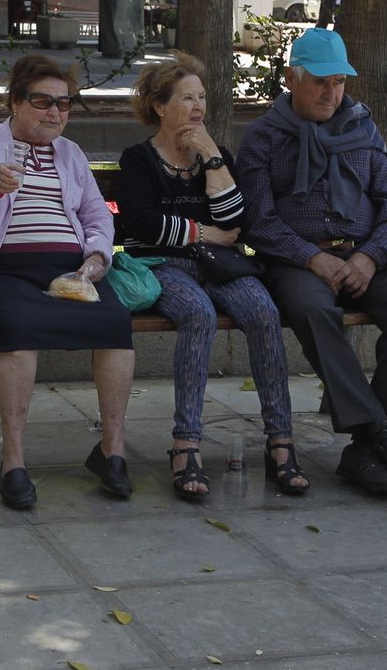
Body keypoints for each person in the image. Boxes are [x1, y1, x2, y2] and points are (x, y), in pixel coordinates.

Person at [235, 29, 387, 497]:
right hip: (296, 262)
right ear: (292, 78)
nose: (332, 93)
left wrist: (369, 256)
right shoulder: (264, 138)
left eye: (340, 82)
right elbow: (258, 222)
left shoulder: (364, 130)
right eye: (321, 82)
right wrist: (311, 258)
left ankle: (371, 452)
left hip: (366, 257)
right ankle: (380, 434)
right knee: (312, 310)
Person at [0, 55, 134, 509]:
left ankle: (112, 450)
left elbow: (93, 213)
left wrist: (95, 256)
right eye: (43, 101)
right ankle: (13, 459)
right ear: (15, 102)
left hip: (69, 271)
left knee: (115, 323)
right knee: (17, 326)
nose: (54, 112)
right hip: (4, 271)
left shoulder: (70, 153)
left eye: (64, 104)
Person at [115, 53, 307, 500]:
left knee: (263, 310)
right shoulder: (139, 160)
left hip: (222, 266)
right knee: (198, 314)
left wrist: (212, 158)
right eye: (187, 98)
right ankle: (186, 446)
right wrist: (203, 232)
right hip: (162, 265)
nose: (198, 107)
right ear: (160, 106)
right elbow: (141, 226)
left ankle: (281, 440)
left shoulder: (213, 154)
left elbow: (236, 218)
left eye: (202, 97)